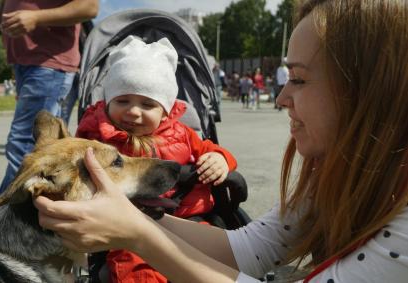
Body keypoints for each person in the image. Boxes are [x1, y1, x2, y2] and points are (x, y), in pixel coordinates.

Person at [35, 0, 408, 282]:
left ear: (366, 91)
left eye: (298, 79)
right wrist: (136, 217)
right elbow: (253, 249)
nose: (280, 99)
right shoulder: (336, 176)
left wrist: (139, 235)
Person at [75, 35, 237, 282]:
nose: (132, 111)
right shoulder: (98, 136)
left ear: (165, 112)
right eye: (122, 100)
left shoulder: (182, 134)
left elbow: (209, 149)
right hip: (127, 223)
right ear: (107, 101)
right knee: (134, 266)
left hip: (187, 218)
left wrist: (219, 159)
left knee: (211, 259)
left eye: (147, 104)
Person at [0, 0, 99, 220]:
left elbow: (88, 6)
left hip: (48, 65)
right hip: (25, 64)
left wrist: (36, 17)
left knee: (25, 149)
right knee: (48, 150)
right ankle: (46, 224)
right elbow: (0, 16)